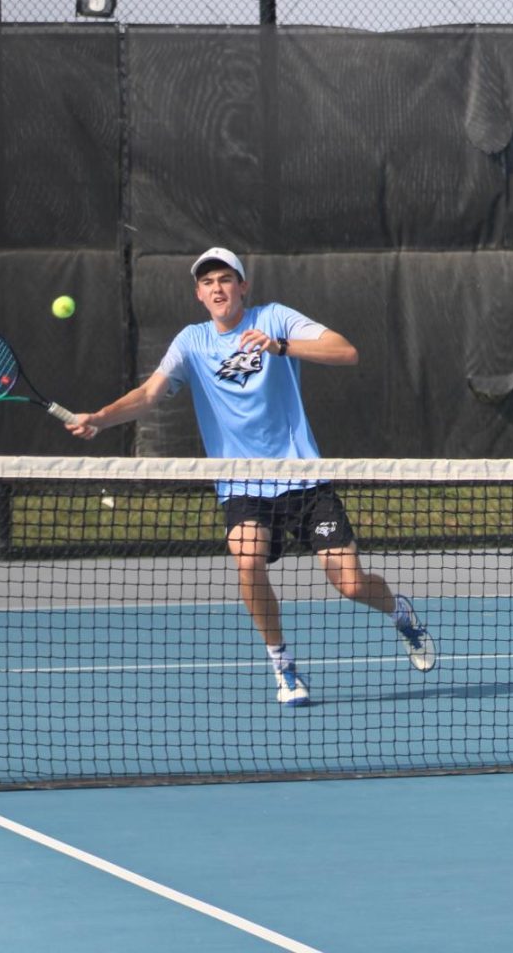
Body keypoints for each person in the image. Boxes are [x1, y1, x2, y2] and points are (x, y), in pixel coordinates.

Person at [65, 247, 435, 706]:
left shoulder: (275, 318)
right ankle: (284, 667)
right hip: (242, 484)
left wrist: (280, 346)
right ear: (199, 295)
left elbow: (346, 351)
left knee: (350, 583)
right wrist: (99, 417)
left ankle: (400, 612)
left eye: (225, 279)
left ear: (243, 286)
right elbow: (148, 395)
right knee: (247, 560)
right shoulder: (192, 342)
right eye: (207, 283)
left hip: (303, 479)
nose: (217, 288)